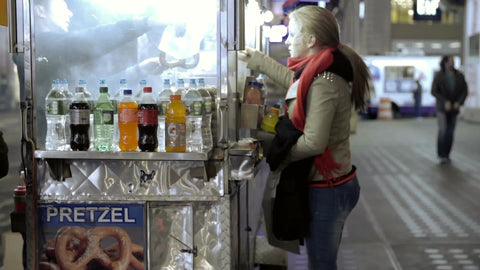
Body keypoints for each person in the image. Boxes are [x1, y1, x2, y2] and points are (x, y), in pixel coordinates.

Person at [239, 6, 370, 270]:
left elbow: (314, 143)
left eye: (293, 34)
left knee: (321, 264)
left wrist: (275, 152)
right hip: (328, 183)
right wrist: (260, 61)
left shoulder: (324, 79)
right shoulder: (318, 71)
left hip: (328, 189)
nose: (287, 40)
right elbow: (297, 84)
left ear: (311, 40)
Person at [431, 56, 468, 164]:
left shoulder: (459, 76)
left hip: (454, 109)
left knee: (450, 132)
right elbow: (434, 91)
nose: (451, 64)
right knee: (442, 130)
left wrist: (459, 102)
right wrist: (444, 101)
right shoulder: (439, 76)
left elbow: (464, 91)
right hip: (442, 108)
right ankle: (441, 154)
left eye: (452, 62)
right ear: (444, 63)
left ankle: (447, 154)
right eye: (449, 62)